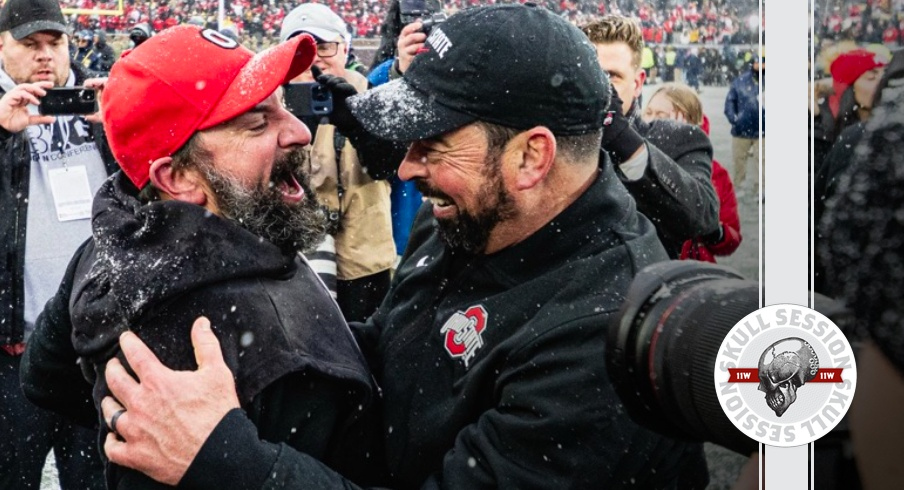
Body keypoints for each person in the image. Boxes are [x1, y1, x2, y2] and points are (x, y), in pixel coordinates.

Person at [95, 5, 708, 489]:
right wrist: (257, 357)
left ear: (531, 156)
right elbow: (400, 348)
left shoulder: (606, 344)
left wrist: (227, 459)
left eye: (432, 143)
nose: (408, 169)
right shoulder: (471, 213)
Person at [20, 25, 379, 489]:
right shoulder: (229, 338)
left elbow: (46, 376)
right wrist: (225, 458)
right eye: (257, 123)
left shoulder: (115, 234)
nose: (299, 133)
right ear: (176, 178)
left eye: (283, 106)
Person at [0, 0, 114, 487]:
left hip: (96, 344)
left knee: (94, 477)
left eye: (55, 43)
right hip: (15, 346)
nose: (45, 55)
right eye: (30, 45)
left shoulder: (104, 101)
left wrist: (122, 129)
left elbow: (151, 198)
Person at [279, 3, 395, 322]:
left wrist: (359, 126)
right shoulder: (270, 105)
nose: (315, 57)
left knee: (364, 351)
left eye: (324, 45)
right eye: (301, 48)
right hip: (294, 255)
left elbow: (389, 165)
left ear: (345, 49)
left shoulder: (370, 96)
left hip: (363, 260)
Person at [581, 15, 720, 258]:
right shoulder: (550, 138)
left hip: (643, 286)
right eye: (589, 74)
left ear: (637, 84)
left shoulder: (676, 138)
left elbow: (703, 217)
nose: (598, 86)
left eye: (612, 76)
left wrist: (623, 141)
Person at [642, 83, 742, 262]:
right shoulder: (634, 162)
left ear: (688, 122)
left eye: (661, 116)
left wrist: (712, 230)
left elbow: (731, 240)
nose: (651, 121)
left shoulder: (716, 173)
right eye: (648, 113)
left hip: (694, 267)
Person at [724, 53, 764, 195]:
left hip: (764, 131)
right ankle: (739, 185)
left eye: (764, 63)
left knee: (763, 162)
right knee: (739, 160)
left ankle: (761, 188)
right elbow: (730, 102)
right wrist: (735, 119)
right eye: (758, 63)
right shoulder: (740, 81)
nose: (761, 66)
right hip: (742, 130)